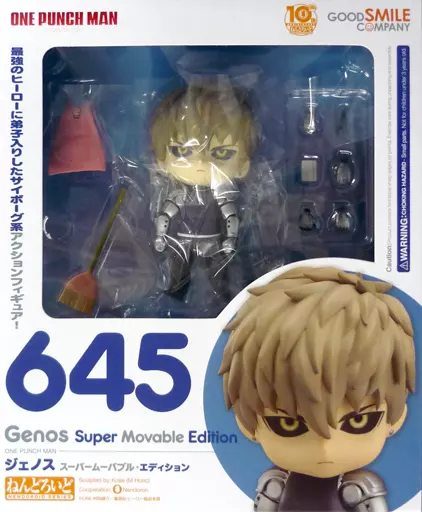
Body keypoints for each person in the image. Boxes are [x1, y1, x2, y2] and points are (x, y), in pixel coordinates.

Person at [219, 266, 416, 511]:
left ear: (396, 419)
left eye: (359, 422)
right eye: (288, 424)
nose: (325, 449)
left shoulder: (361, 488)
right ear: (245, 424)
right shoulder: (274, 484)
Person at [150, 84, 256, 298]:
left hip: (212, 242)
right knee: (177, 277)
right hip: (182, 240)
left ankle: (224, 301)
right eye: (181, 151)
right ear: (161, 162)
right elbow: (165, 214)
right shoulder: (181, 193)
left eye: (222, 153)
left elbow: (231, 216)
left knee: (219, 279)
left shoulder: (220, 193)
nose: (200, 162)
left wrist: (231, 238)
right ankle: (175, 298)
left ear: (244, 165)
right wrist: (161, 235)